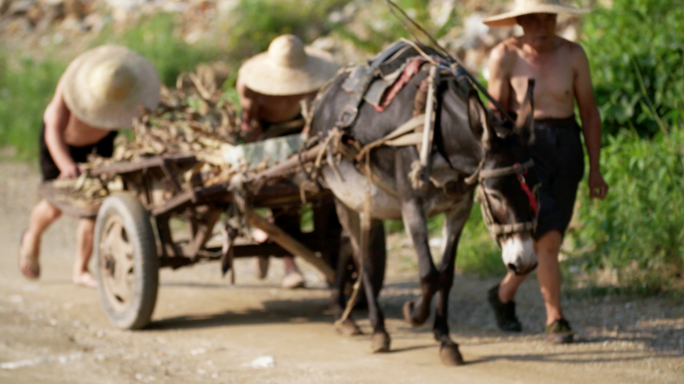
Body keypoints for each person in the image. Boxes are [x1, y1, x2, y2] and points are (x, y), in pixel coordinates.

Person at [483, 0, 609, 343]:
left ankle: (503, 294)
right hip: (526, 152)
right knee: (547, 240)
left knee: (552, 235)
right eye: (533, 19)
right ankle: (556, 319)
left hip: (567, 148)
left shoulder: (573, 55)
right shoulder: (504, 56)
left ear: (556, 19)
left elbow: (590, 114)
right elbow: (497, 122)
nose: (541, 26)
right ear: (520, 21)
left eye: (548, 18)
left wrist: (596, 169)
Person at [19, 45, 161, 288]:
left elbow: (144, 121)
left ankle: (81, 270)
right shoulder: (72, 83)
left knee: (95, 205)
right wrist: (66, 165)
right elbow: (53, 127)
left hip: (100, 145)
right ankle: (31, 237)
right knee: (55, 205)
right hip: (63, 144)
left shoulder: (129, 82)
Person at [236, 34, 338, 289]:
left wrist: (304, 147)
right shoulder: (250, 87)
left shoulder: (316, 84)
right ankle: (288, 265)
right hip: (267, 143)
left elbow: (317, 120)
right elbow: (250, 129)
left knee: (326, 197)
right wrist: (264, 157)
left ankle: (265, 237)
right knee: (284, 200)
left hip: (304, 142)